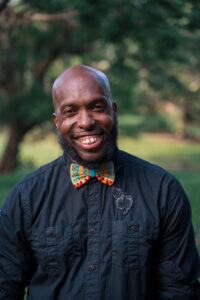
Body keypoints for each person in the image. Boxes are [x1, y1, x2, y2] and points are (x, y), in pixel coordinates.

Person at [0, 65, 199, 300]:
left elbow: (178, 291)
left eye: (96, 107)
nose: (85, 122)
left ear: (114, 111)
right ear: (57, 121)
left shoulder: (163, 192)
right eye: (70, 111)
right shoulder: (26, 198)